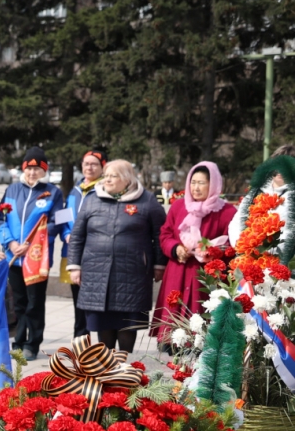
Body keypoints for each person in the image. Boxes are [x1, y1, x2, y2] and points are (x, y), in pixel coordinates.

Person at [67, 159, 166, 354]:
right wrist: (74, 266)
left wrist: (158, 265)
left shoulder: (147, 201)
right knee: (103, 322)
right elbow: (77, 235)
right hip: (96, 273)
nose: (108, 180)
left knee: (127, 322)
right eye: (107, 175)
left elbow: (160, 235)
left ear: (127, 179)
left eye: (113, 176)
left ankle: (123, 365)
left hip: (133, 273)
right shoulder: (92, 199)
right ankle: (105, 366)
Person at [0, 147, 66, 360]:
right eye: (29, 168)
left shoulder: (53, 192)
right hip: (14, 257)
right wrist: (10, 243)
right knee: (18, 302)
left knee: (34, 302)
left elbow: (58, 222)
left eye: (37, 168)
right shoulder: (12, 190)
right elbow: (1, 219)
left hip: (37, 259)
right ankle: (17, 341)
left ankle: (32, 344)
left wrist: (35, 241)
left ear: (44, 171)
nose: (32, 172)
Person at [153, 161, 236, 333]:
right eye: (193, 182)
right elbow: (165, 234)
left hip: (207, 278)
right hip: (178, 273)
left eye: (201, 183)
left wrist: (212, 251)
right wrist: (176, 249)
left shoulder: (227, 212)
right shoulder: (178, 206)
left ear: (213, 184)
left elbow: (232, 244)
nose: (196, 188)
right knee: (174, 331)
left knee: (203, 331)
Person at [62, 149, 106, 339]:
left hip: (93, 253)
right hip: (72, 251)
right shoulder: (75, 190)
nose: (89, 167)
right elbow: (63, 217)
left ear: (102, 167)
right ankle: (80, 339)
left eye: (94, 164)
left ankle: (99, 338)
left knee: (91, 299)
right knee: (76, 298)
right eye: (86, 163)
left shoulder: (103, 190)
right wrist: (65, 234)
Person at [228, 147, 295, 247]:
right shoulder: (255, 193)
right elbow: (236, 224)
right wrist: (243, 247)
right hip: (250, 256)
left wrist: (268, 249)